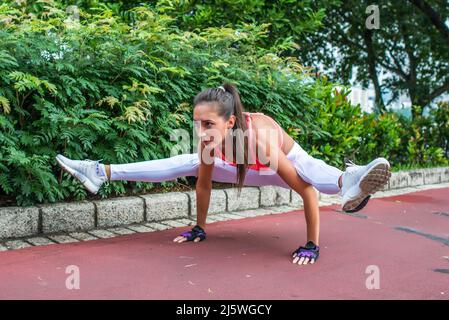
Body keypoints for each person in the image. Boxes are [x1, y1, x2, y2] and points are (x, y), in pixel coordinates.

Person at [55, 83, 391, 266]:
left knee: (313, 171)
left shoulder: (258, 138)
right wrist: (200, 227)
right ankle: (100, 171)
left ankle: (349, 181)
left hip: (281, 164)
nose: (200, 130)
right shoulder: (209, 142)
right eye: (196, 123)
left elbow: (304, 191)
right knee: (186, 159)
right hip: (247, 170)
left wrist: (312, 246)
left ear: (230, 123)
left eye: (208, 124)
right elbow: (203, 185)